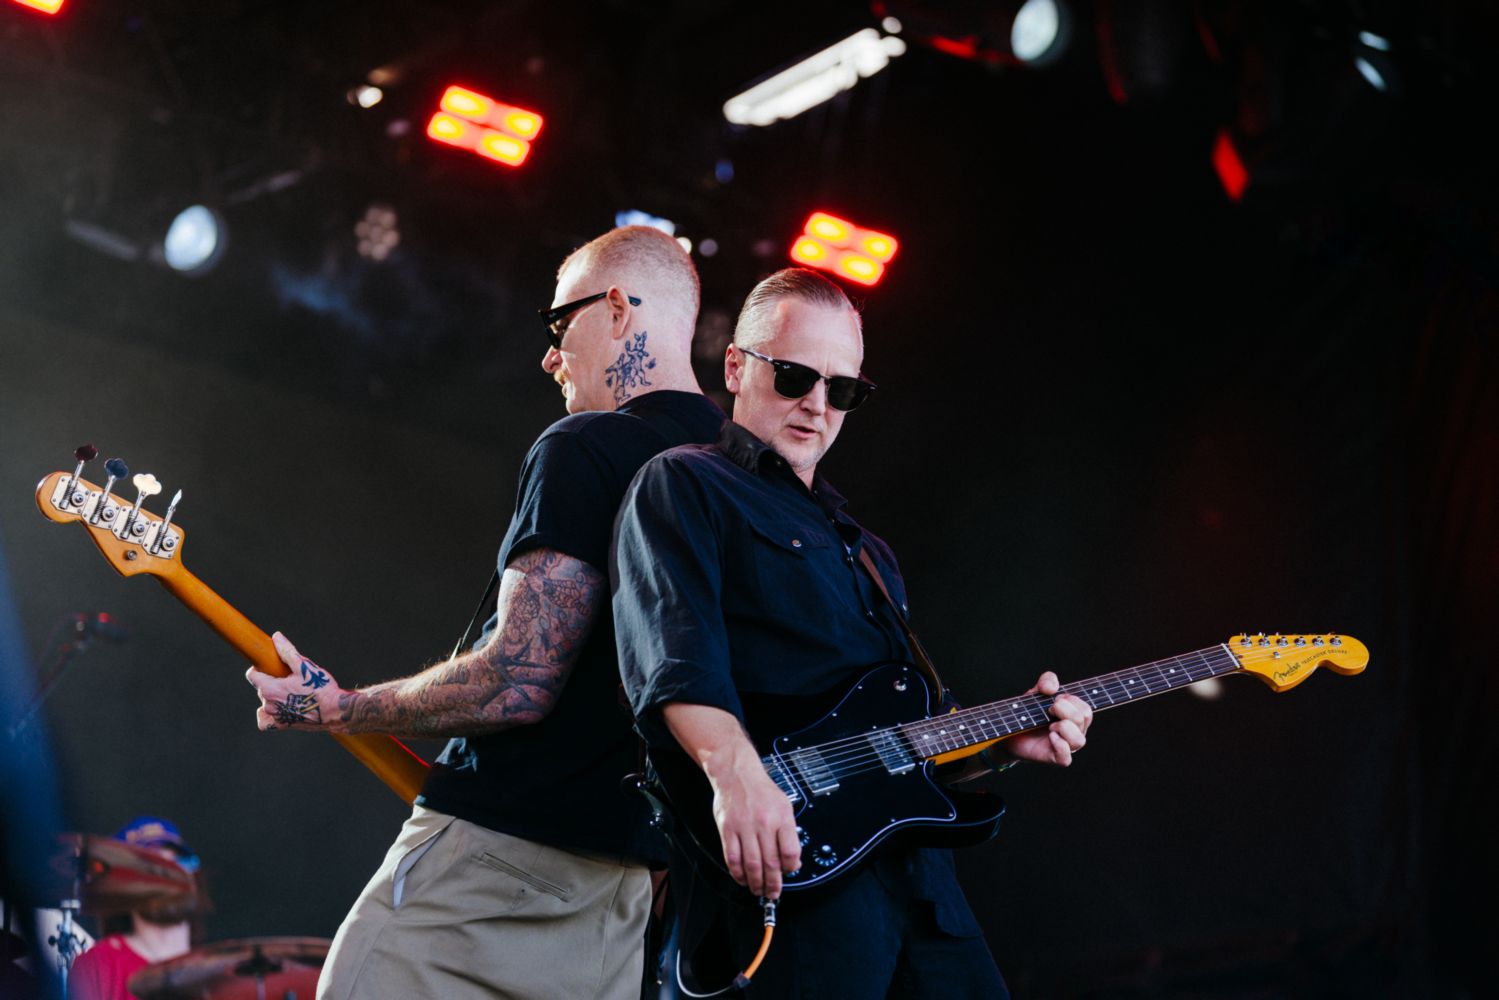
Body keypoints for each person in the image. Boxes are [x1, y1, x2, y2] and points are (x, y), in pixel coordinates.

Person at [244, 225, 724, 1000]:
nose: (549, 357)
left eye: (558, 324)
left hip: (491, 864)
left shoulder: (589, 444)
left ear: (616, 309)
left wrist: (339, 708)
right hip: (628, 897)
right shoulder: (745, 477)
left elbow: (518, 681)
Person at [612, 268, 1095, 997]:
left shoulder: (869, 553)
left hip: (923, 890)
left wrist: (1001, 745)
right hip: (800, 880)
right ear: (735, 367)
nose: (817, 404)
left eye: (842, 389)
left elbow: (903, 744)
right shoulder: (685, 482)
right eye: (794, 376)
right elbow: (673, 657)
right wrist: (737, 777)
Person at [68, 817, 200, 1000]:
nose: (169, 878)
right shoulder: (98, 966)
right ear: (123, 887)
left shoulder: (223, 972)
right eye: (153, 868)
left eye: (177, 863)